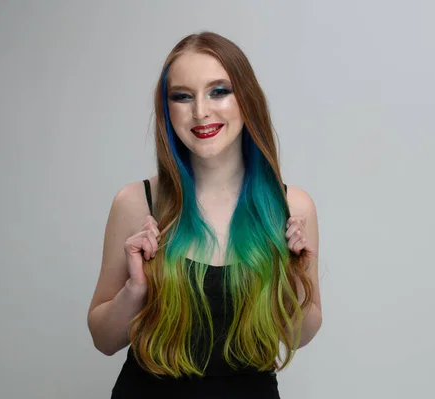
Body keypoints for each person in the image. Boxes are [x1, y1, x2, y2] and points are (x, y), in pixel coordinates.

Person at [87, 31, 322, 399]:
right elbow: (103, 339)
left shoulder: (292, 207)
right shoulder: (136, 202)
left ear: (246, 98)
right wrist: (136, 289)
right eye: (182, 96)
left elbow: (298, 337)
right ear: (168, 110)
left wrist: (295, 280)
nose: (200, 111)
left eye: (219, 91)